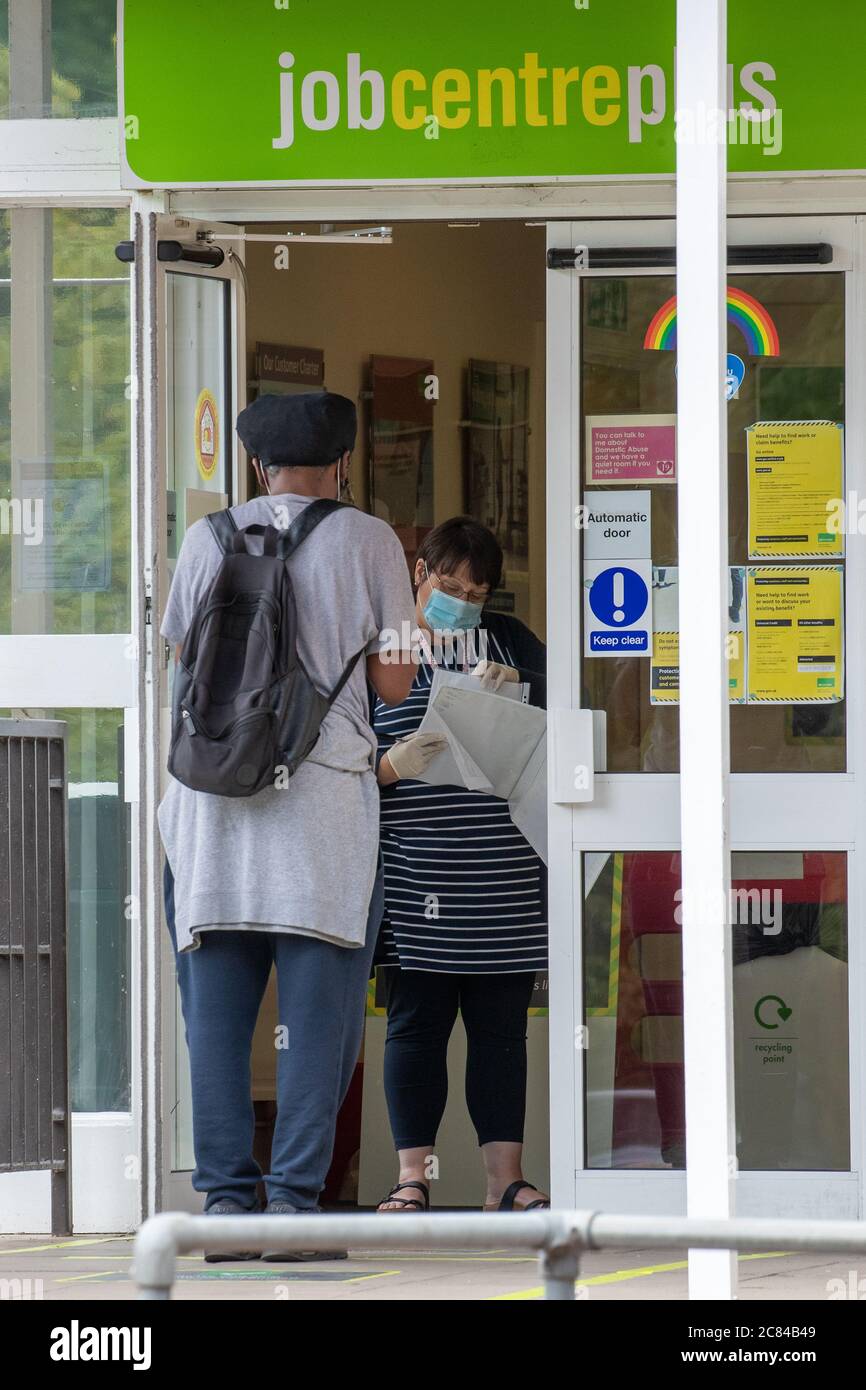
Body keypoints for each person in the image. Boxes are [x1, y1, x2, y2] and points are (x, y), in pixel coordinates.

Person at [159, 391, 415, 1259]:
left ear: (256, 465)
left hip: (211, 810)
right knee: (320, 1016)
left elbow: (184, 660)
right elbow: (393, 685)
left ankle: (226, 1206)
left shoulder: (206, 537)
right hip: (323, 807)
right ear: (341, 462)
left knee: (215, 1017)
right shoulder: (372, 539)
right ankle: (295, 1210)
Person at [372, 517, 550, 1214]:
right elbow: (334, 755)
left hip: (502, 869)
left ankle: (505, 1179)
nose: (462, 602)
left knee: (502, 1030)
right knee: (416, 1024)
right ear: (420, 572)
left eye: (476, 592)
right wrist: (389, 766)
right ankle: (412, 1177)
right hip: (417, 871)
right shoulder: (383, 649)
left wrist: (524, 681)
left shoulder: (507, 638)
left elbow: (576, 695)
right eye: (449, 586)